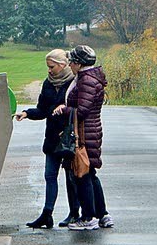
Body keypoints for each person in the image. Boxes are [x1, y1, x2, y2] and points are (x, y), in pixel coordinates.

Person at [15, 49, 80, 229]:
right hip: (52, 137)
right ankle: (47, 214)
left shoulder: (74, 83)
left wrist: (65, 109)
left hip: (68, 136)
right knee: (50, 175)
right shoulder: (48, 84)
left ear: (62, 65)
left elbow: (80, 109)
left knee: (71, 176)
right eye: (48, 67)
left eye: (52, 67)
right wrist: (27, 113)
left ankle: (75, 213)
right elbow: (43, 110)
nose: (49, 71)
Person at [53, 45, 114, 231]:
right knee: (90, 173)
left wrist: (64, 109)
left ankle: (89, 216)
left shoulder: (86, 80)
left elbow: (84, 110)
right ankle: (102, 214)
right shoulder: (89, 77)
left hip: (84, 133)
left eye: (71, 61)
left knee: (82, 174)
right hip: (90, 131)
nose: (70, 64)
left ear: (79, 63)